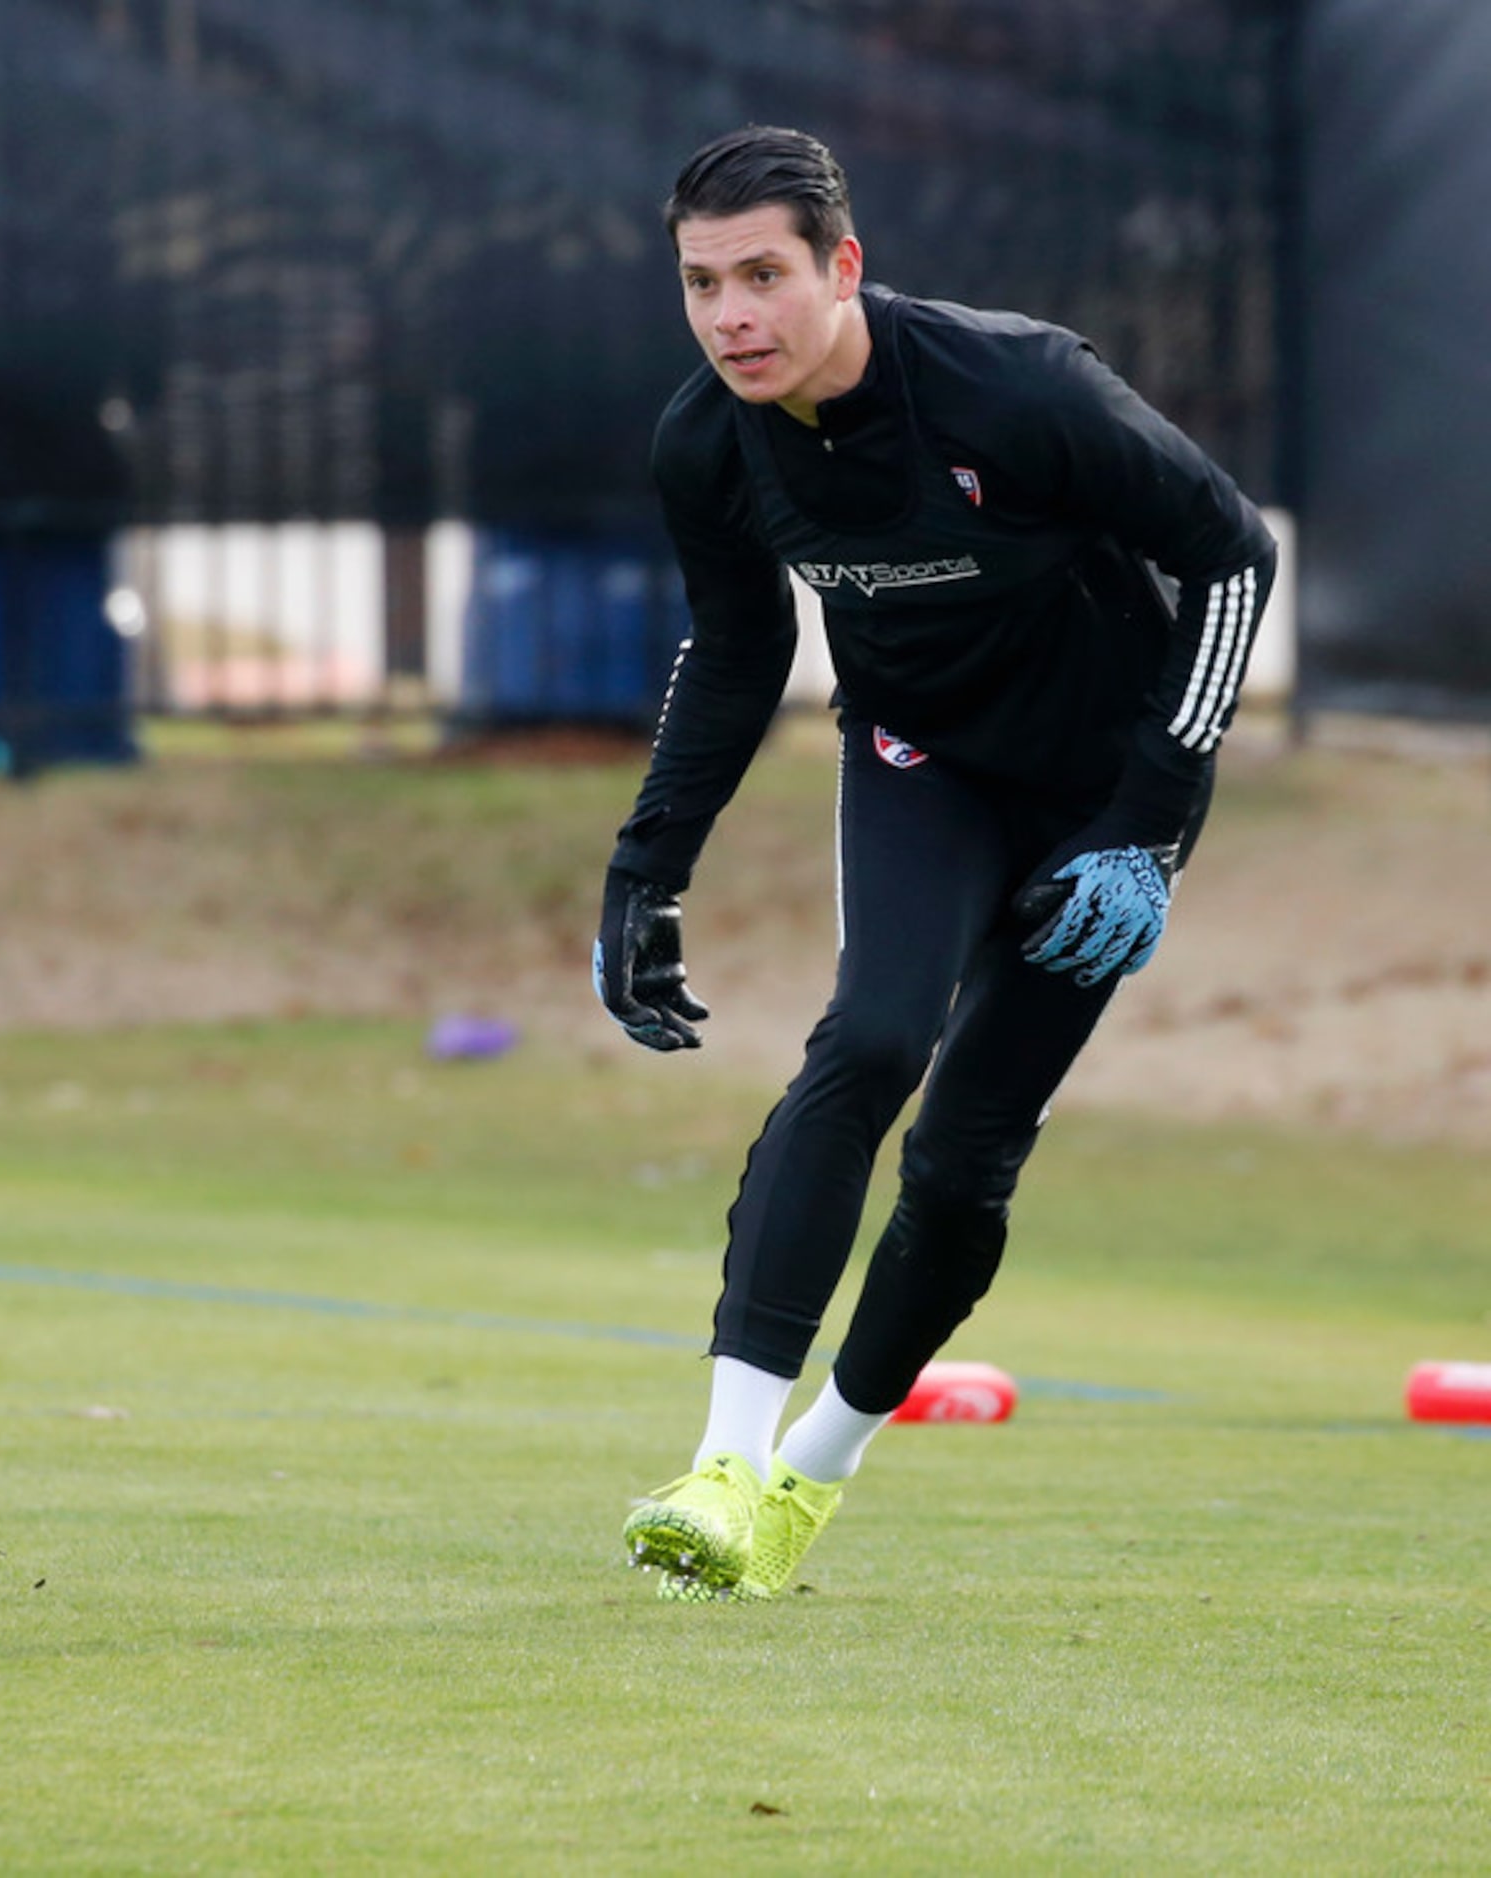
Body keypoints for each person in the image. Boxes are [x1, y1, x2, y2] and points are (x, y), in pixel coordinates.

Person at [596, 126, 1277, 1601]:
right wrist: (648, 864)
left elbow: (1232, 556)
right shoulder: (706, 439)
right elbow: (733, 650)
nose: (733, 317)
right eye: (703, 284)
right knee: (870, 1038)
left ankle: (814, 1474)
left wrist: (1151, 823)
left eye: (764, 275)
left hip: (1110, 791)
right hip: (921, 759)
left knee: (965, 1156)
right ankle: (723, 1463)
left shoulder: (1013, 382)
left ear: (843, 267)